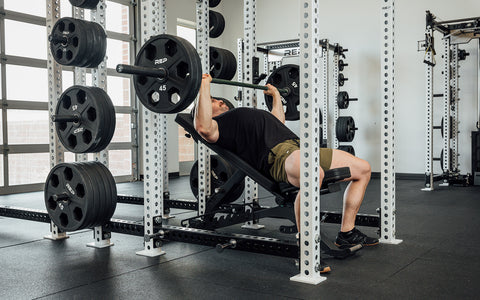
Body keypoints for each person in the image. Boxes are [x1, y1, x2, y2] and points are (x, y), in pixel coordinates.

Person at [193, 74, 378, 272]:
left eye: (219, 99)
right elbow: (203, 128)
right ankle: (306, 246)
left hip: (299, 147)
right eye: (213, 100)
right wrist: (204, 86)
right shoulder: (222, 125)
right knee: (312, 173)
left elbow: (278, 121)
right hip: (278, 156)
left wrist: (276, 96)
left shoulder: (244, 114)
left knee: (363, 169)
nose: (219, 100)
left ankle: (347, 233)